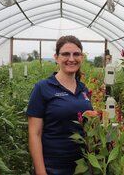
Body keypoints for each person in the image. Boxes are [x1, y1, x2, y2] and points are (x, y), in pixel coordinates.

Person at [27, 35, 93, 175]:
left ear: (81, 57)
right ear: (56, 57)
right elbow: (35, 134)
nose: (71, 59)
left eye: (76, 54)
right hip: (53, 168)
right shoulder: (43, 88)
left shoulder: (83, 89)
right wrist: (41, 172)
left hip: (83, 167)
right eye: (65, 54)